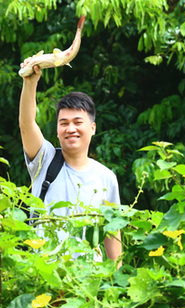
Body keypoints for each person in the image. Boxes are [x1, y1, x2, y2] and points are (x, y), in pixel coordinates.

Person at [19, 64, 122, 262]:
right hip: (44, 274)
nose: (70, 128)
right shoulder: (44, 159)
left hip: (87, 281)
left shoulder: (106, 177)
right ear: (57, 130)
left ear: (92, 128)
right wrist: (30, 83)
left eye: (77, 122)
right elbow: (26, 125)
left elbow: (112, 231)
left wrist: (116, 282)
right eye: (64, 123)